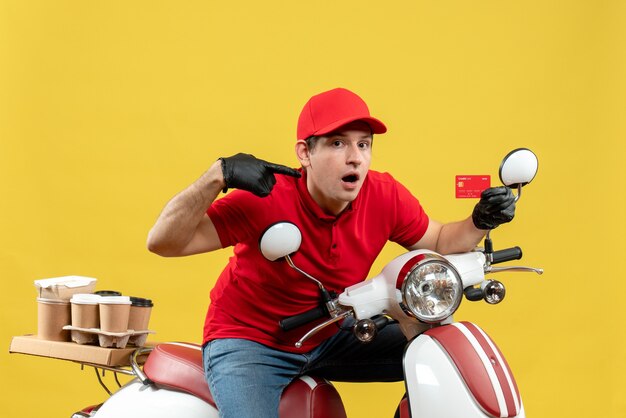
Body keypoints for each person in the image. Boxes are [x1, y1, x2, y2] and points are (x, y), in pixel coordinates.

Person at [146, 87, 516, 418]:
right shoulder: (267, 197)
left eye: (363, 144)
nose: (355, 157)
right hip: (251, 341)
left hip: (330, 333)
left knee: (443, 354)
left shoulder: (383, 195)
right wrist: (217, 176)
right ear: (305, 153)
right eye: (338, 143)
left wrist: (480, 221)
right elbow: (164, 242)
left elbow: (437, 241)